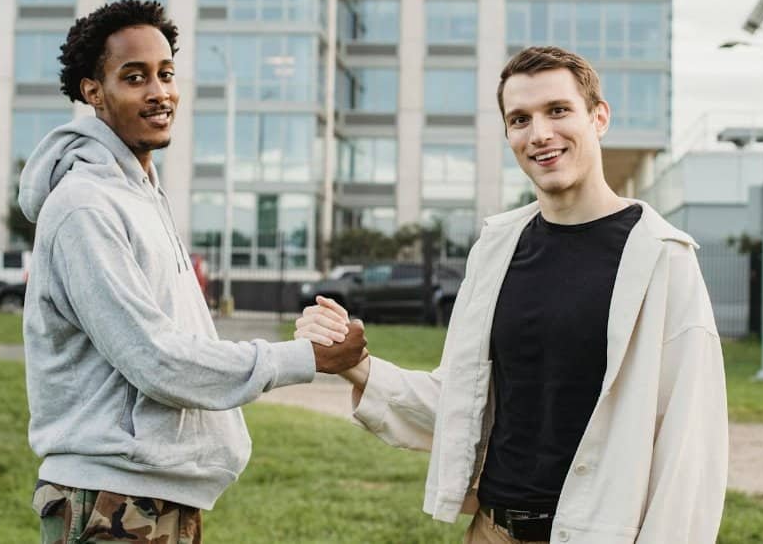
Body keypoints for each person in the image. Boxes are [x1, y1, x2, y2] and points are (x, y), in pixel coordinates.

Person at [297, 46, 728, 543]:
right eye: (520, 119)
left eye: (558, 110)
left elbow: (689, 446)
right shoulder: (496, 248)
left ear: (599, 117)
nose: (539, 133)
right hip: (492, 530)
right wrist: (355, 364)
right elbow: (463, 403)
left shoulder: (663, 257)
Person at [18, 0, 367, 544]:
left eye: (166, 74)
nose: (159, 92)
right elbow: (156, 359)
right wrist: (306, 358)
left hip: (157, 491)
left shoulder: (140, 193)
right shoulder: (85, 206)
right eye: (134, 77)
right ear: (93, 91)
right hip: (109, 498)